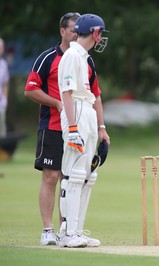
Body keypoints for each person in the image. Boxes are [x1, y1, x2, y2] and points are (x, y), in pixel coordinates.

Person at [24, 12, 81, 246]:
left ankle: (66, 231)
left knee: (70, 180)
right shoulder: (48, 57)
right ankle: (47, 230)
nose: (78, 34)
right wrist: (56, 103)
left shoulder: (83, 58)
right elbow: (30, 90)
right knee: (51, 177)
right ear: (63, 32)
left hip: (77, 128)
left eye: (80, 30)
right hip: (53, 126)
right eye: (74, 30)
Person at [57, 13, 110, 248]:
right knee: (74, 175)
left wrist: (100, 127)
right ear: (95, 33)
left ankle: (77, 230)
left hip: (86, 109)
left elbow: (93, 94)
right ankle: (67, 233)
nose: (101, 38)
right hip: (76, 111)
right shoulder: (71, 55)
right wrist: (74, 127)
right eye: (101, 33)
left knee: (89, 176)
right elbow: (66, 93)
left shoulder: (85, 57)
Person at [0, 37, 10, 138]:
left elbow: (4, 84)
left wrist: (5, 100)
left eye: (1, 47)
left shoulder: (3, 64)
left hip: (0, 102)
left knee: (2, 131)